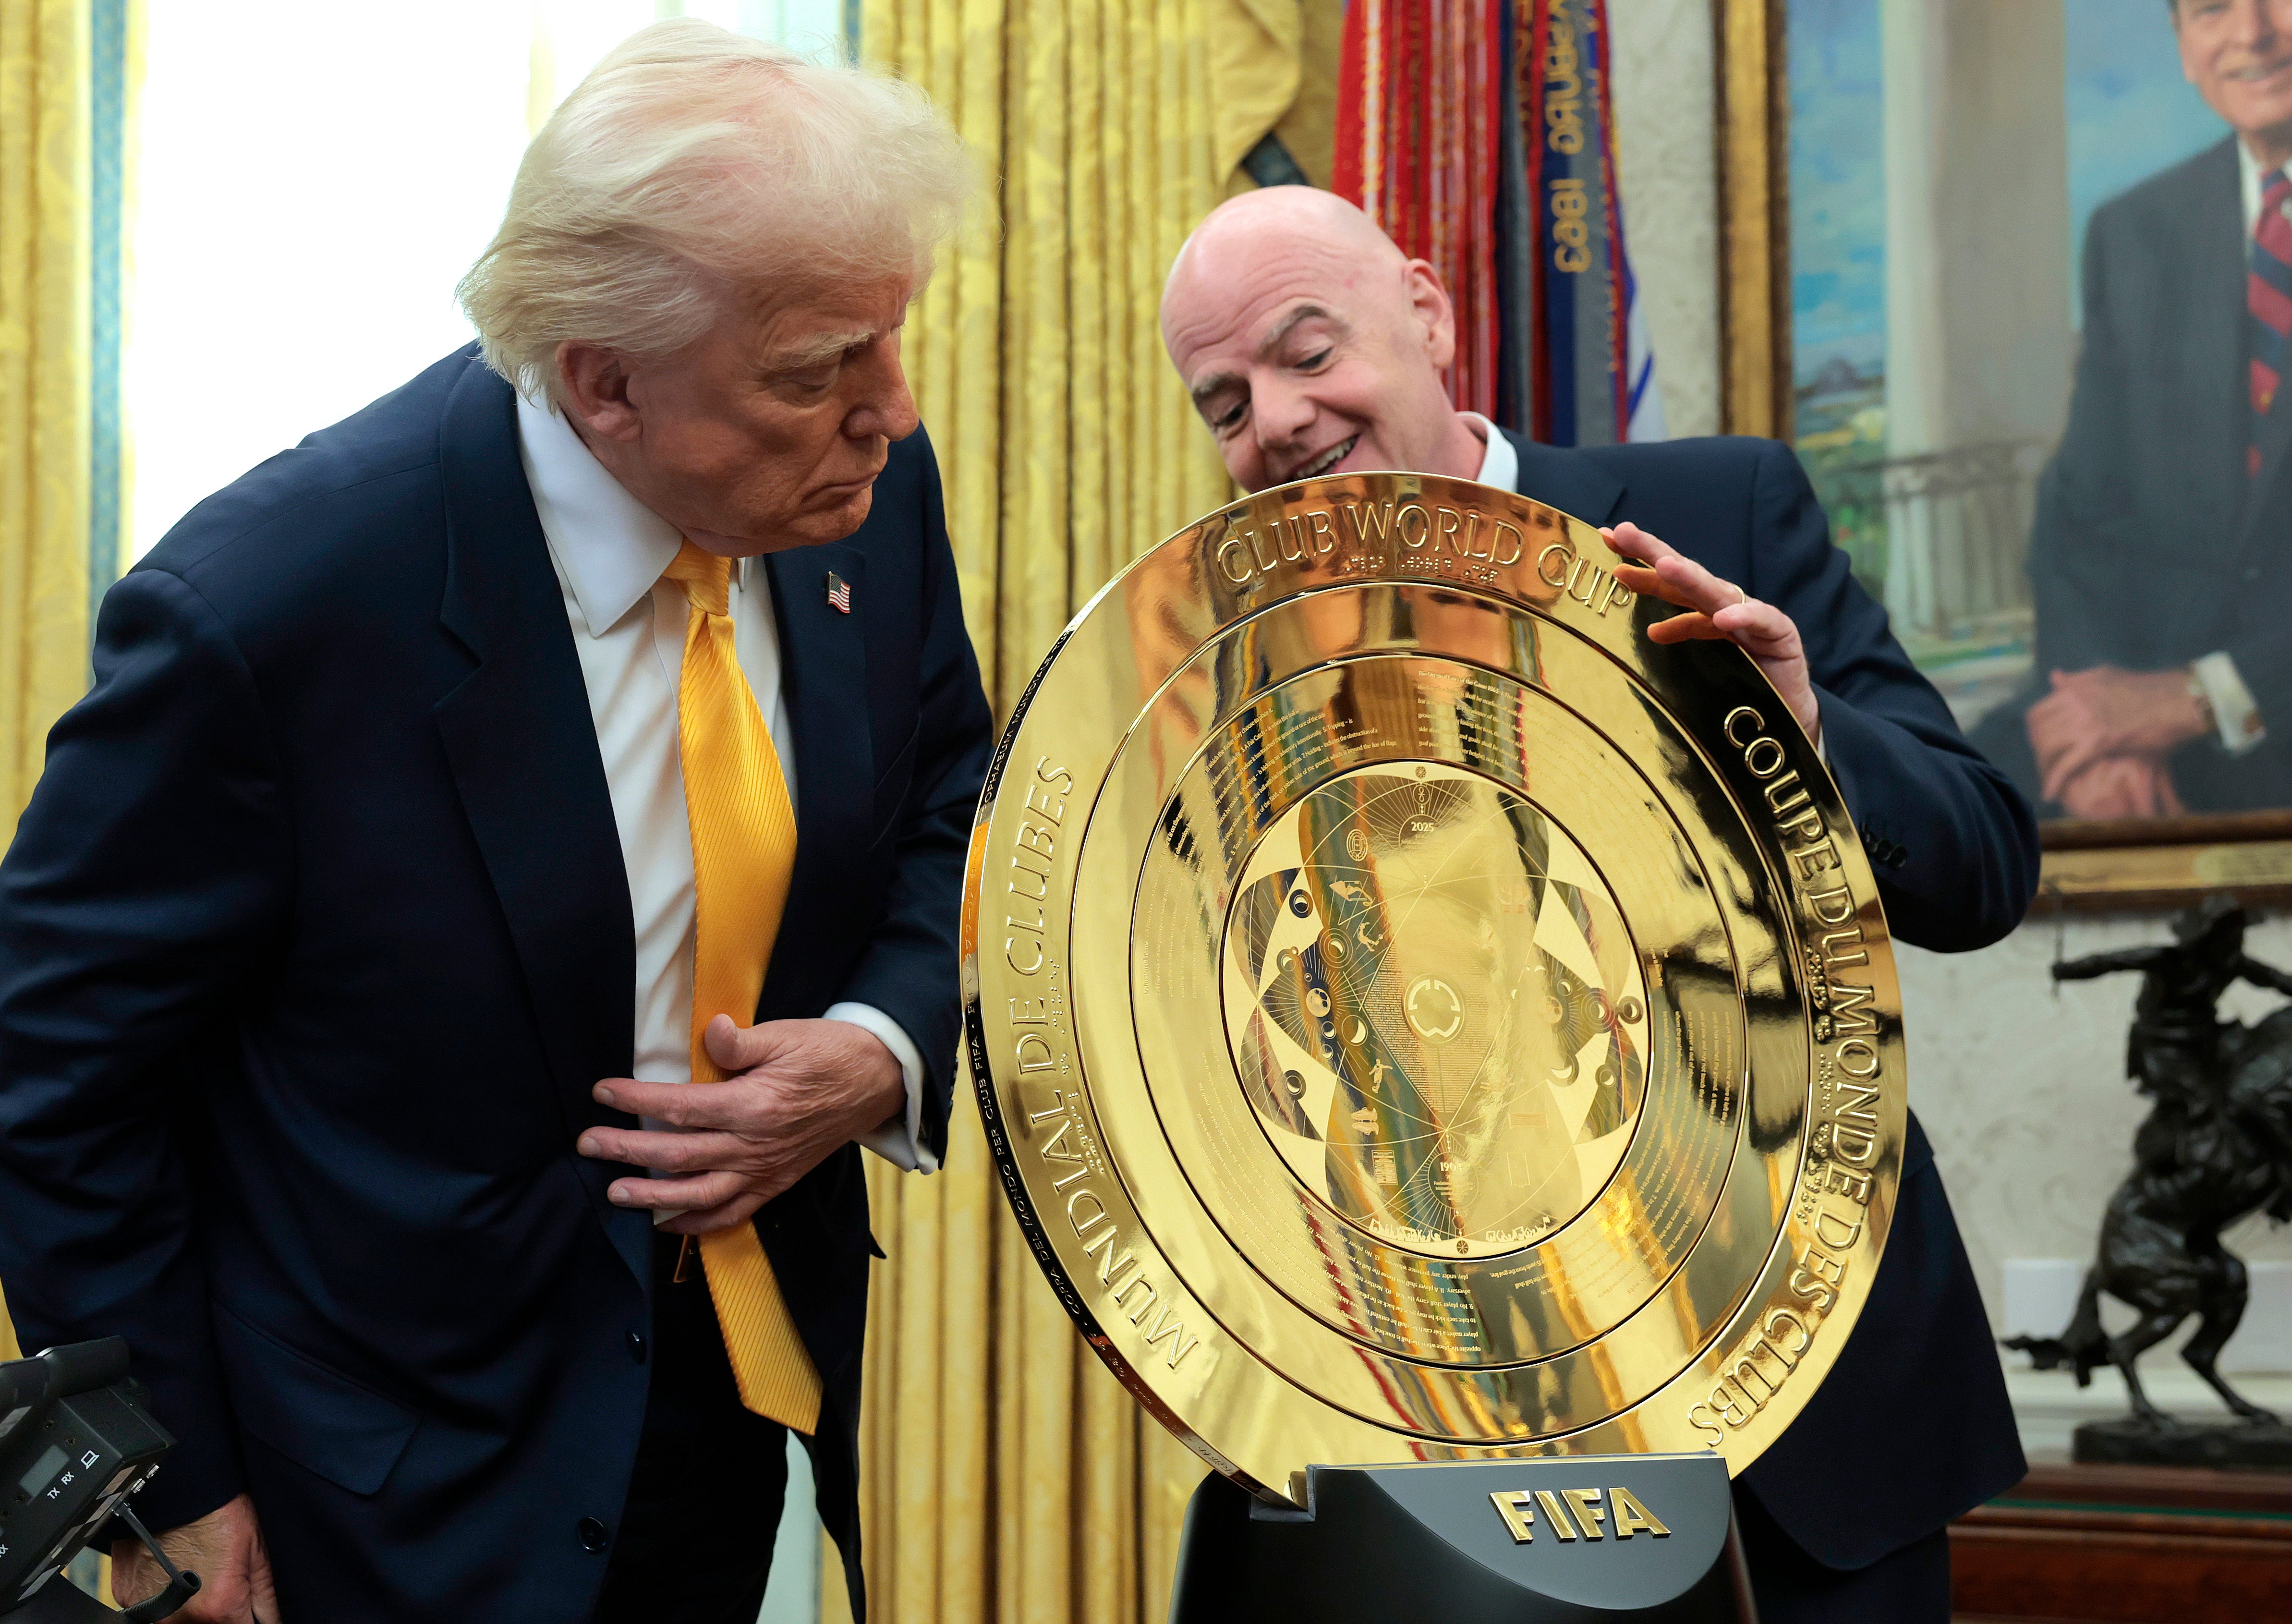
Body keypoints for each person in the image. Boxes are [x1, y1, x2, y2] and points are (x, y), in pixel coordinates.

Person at [0, 23, 988, 1624]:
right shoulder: (273, 606)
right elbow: (55, 1075)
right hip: (377, 1483)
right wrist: (168, 1483)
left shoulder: (859, 495)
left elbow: (960, 795)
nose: (892, 407)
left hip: (720, 1418)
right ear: (605, 382)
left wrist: (882, 1041)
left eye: (888, 341)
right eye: (816, 372)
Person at [1159, 185, 2039, 1624]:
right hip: (1444, 1449)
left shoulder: (1713, 508)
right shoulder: (1210, 673)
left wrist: (1797, 729)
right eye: (1221, 399)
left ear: (1425, 313)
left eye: (1305, 352)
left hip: (1804, 1429)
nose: (1274, 420)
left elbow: (1980, 862)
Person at [1969, 0, 2292, 818]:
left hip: (2258, 703)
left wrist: (2205, 696)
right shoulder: (2135, 235)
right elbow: (2077, 517)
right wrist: (2094, 731)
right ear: (2184, 49)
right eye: (2211, 8)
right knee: (1941, 808)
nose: (2250, 32)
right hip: (2144, 704)